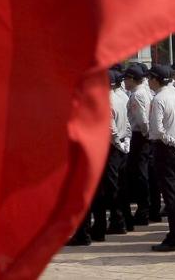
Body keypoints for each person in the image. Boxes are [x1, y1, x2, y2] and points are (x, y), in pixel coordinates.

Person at [69, 70, 131, 244]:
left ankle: (84, 233)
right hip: (107, 149)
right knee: (99, 192)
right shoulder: (120, 98)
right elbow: (126, 123)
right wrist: (123, 140)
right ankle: (98, 229)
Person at [147, 64, 175, 252]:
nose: (148, 81)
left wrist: (172, 141)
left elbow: (157, 129)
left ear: (156, 79)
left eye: (150, 78)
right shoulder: (174, 95)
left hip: (165, 149)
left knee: (170, 195)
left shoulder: (158, 99)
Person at [125, 63, 154, 226]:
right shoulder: (144, 91)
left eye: (126, 79)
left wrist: (145, 134)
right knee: (143, 173)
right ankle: (146, 208)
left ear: (131, 79)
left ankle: (143, 210)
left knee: (141, 174)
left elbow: (142, 120)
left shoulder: (137, 95)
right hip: (144, 137)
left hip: (140, 137)